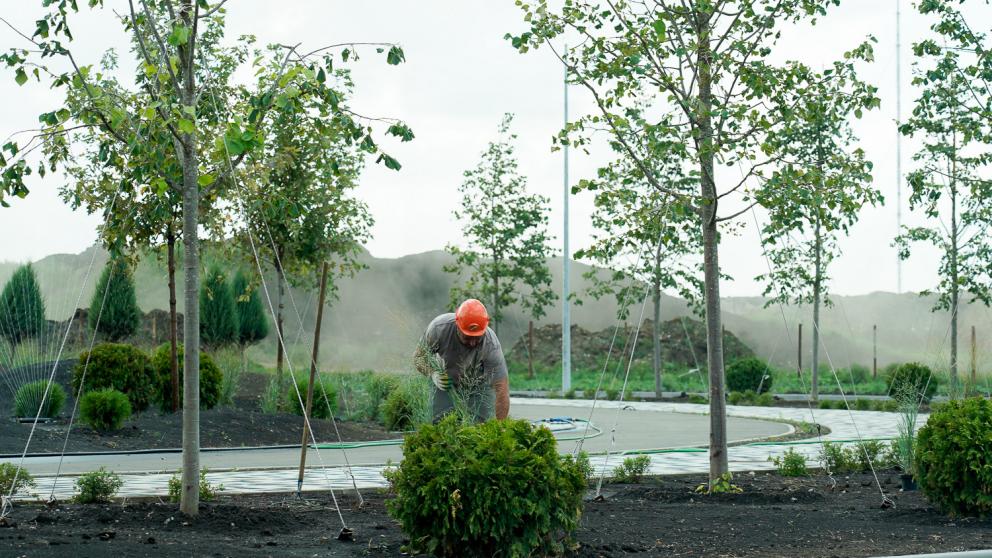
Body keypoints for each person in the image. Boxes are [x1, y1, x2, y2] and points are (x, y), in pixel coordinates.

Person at [414, 298, 510, 423]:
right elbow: (418, 357)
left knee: (481, 425)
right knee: (441, 423)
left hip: (477, 386)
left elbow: (501, 387)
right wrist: (432, 373)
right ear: (457, 326)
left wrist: (500, 426)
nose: (472, 342)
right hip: (445, 382)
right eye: (468, 337)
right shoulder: (439, 328)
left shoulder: (491, 345)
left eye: (477, 338)